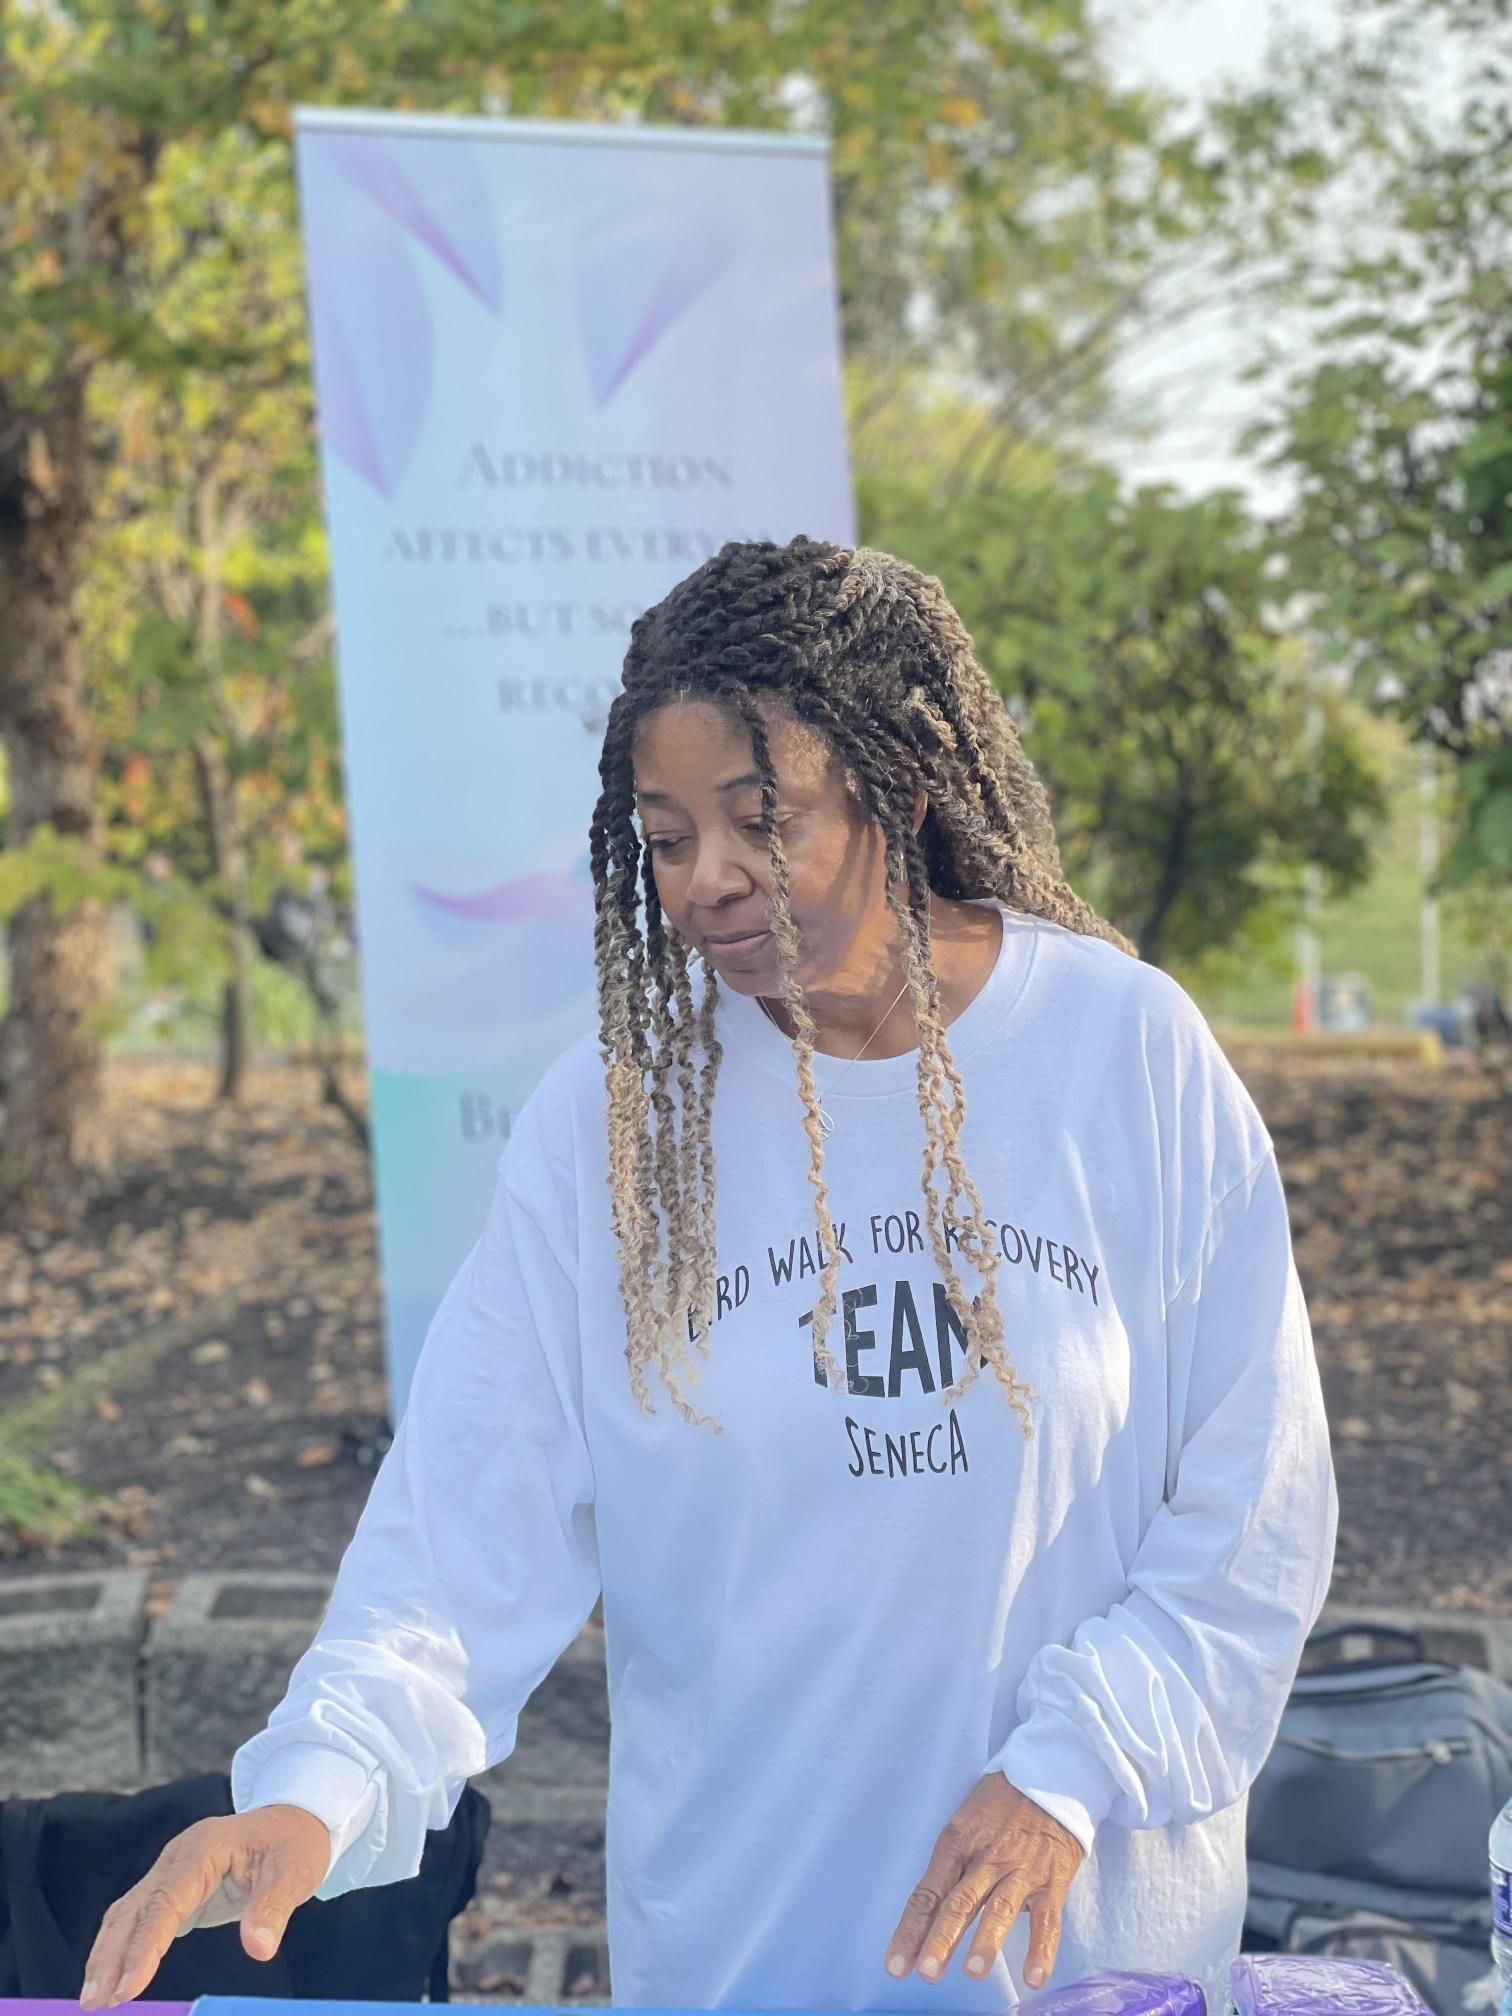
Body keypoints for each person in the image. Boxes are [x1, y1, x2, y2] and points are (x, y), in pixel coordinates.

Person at [81, 537, 1337, 2014]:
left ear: (901, 785)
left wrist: (1072, 1769)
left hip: (1093, 1968)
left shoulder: (1125, 1054)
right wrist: (311, 1790)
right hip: (748, 1961)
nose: (706, 882)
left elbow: (1257, 1512)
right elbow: (454, 1543)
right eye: (666, 838)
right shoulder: (614, 1133)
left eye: (761, 822)